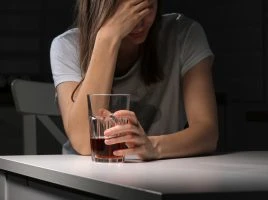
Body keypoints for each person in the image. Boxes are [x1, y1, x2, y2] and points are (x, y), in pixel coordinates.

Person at [50, 0, 219, 160]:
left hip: (160, 174)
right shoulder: (67, 46)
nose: (139, 23)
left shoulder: (184, 35)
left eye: (145, 7)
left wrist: (153, 146)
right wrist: (108, 37)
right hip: (84, 177)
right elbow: (85, 143)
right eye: (126, 13)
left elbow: (207, 133)